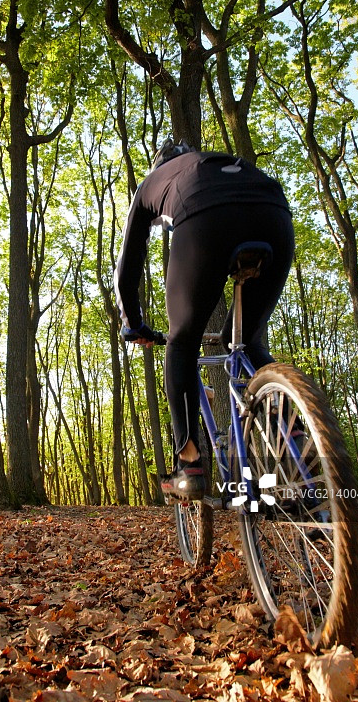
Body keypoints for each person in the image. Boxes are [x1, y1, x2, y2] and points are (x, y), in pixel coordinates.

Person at [114, 139, 294, 500]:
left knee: (182, 341)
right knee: (246, 342)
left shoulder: (152, 183)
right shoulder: (224, 161)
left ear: (159, 165)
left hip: (207, 220)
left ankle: (190, 462)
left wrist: (133, 323)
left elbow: (126, 268)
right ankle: (296, 434)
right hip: (275, 215)